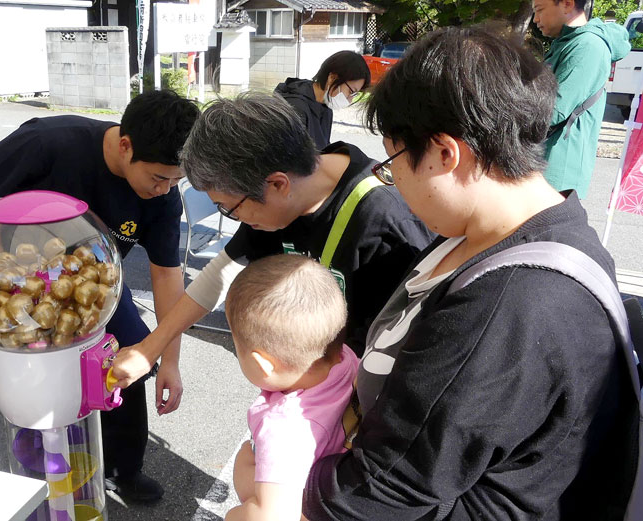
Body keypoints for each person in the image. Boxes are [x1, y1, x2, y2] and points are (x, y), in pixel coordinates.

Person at [302, 25, 637, 520]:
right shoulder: (536, 229)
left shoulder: (512, 301)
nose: (395, 184)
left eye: (394, 163)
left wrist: (283, 485)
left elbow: (388, 486)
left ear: (444, 152)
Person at [0, 89, 200, 503]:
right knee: (38, 360)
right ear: (126, 146)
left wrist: (170, 360)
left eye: (175, 180)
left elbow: (166, 276)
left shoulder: (162, 199)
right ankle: (37, 459)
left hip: (96, 284)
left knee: (131, 359)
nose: (165, 189)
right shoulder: (51, 141)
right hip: (25, 273)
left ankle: (125, 469)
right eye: (159, 177)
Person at [111, 92, 434, 388]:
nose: (235, 219)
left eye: (231, 208)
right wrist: (149, 349)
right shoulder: (280, 195)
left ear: (277, 185)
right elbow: (221, 272)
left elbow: (413, 349)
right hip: (317, 387)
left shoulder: (387, 225)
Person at [224, 254, 359, 521]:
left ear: (263, 365)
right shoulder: (346, 358)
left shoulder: (285, 428)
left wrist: (234, 515)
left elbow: (273, 516)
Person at [533, 0, 630, 198]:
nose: (535, 19)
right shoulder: (568, 42)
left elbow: (554, 110)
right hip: (543, 163)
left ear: (567, 4)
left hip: (557, 171)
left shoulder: (587, 46)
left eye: (539, 10)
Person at [274, 51, 370, 149]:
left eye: (355, 94)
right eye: (351, 91)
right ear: (332, 78)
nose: (350, 100)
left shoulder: (326, 106)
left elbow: (323, 148)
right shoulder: (296, 107)